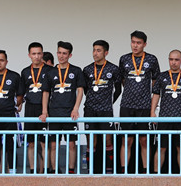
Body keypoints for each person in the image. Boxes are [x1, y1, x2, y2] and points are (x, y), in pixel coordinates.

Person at [118, 30, 160, 174]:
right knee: (127, 140)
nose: (135, 46)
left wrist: (152, 104)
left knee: (144, 140)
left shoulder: (151, 59)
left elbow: (155, 82)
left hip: (144, 105)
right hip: (127, 105)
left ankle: (145, 171)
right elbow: (122, 80)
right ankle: (124, 170)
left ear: (145, 44)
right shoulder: (124, 59)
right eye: (133, 42)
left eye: (139, 43)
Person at [151, 49, 181, 174]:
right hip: (164, 118)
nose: (173, 62)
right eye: (171, 59)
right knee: (161, 148)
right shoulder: (162, 76)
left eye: (176, 60)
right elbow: (156, 95)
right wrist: (152, 112)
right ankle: (155, 174)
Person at [81, 40, 122, 174]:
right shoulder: (87, 69)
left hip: (106, 110)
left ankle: (108, 170)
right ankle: (91, 170)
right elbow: (86, 89)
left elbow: (118, 90)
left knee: (108, 140)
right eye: (94, 50)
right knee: (90, 140)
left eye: (98, 50)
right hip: (90, 109)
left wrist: (108, 102)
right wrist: (94, 100)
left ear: (106, 52)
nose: (95, 53)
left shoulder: (114, 69)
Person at [46, 41, 85, 173]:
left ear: (70, 55)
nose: (61, 56)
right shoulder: (50, 72)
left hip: (70, 113)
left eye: (64, 53)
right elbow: (46, 92)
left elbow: (80, 90)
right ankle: (54, 171)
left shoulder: (76, 70)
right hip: (54, 113)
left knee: (71, 144)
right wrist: (45, 111)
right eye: (59, 53)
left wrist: (75, 109)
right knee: (53, 144)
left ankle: (71, 170)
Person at [20, 42, 52, 173]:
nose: (37, 56)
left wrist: (46, 110)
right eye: (34, 54)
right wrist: (18, 105)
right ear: (29, 55)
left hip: (45, 108)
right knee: (31, 143)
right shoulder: (25, 71)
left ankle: (45, 170)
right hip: (30, 109)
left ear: (42, 54)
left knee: (44, 142)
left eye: (39, 53)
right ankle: (32, 171)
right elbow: (22, 92)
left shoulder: (49, 70)